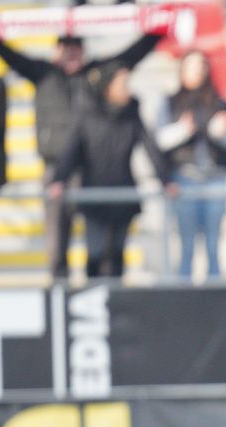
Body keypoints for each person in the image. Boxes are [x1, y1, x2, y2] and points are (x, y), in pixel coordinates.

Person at [0, 32, 161, 279]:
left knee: (96, 244)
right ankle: (61, 293)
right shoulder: (44, 74)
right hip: (55, 169)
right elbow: (12, 57)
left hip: (89, 171)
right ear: (56, 51)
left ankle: (95, 291)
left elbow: (131, 56)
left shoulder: (95, 75)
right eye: (66, 47)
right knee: (57, 242)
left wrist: (157, 31)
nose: (72, 53)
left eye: (76, 47)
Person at [49, 64, 173, 279]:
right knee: (96, 252)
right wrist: (59, 179)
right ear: (107, 87)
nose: (127, 89)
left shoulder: (131, 114)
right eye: (122, 84)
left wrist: (166, 180)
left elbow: (149, 147)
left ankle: (116, 297)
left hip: (123, 193)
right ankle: (94, 295)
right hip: (94, 196)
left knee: (117, 253)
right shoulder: (87, 115)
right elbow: (72, 151)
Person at [157, 51, 226, 281]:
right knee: (186, 244)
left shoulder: (221, 102)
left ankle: (215, 290)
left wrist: (219, 133)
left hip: (215, 177)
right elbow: (159, 139)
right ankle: (183, 292)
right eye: (192, 67)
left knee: (213, 243)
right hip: (185, 177)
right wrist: (182, 130)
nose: (197, 72)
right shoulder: (171, 101)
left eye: (201, 66)